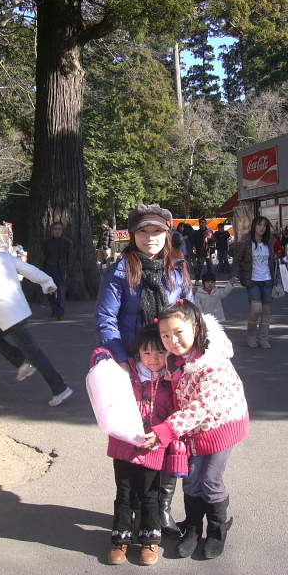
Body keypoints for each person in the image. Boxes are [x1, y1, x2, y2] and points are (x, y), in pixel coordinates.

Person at [96, 203, 193, 537]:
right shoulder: (120, 271)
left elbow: (189, 313)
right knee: (133, 435)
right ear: (133, 235)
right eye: (143, 231)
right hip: (134, 365)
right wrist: (122, 360)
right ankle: (132, 505)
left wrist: (189, 353)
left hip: (171, 363)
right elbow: (106, 319)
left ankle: (159, 508)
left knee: (168, 433)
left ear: (167, 234)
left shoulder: (177, 268)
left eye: (157, 231)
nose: (150, 238)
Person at [142, 299, 249, 560]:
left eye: (178, 332)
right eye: (165, 335)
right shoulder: (174, 359)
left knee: (210, 480)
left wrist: (166, 430)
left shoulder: (213, 363)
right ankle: (192, 528)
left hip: (221, 427)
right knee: (191, 478)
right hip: (191, 429)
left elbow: (201, 407)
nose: (172, 340)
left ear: (196, 327)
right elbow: (170, 388)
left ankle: (217, 531)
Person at [92, 326, 184, 566]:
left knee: (149, 495)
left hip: (153, 447)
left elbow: (175, 412)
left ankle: (149, 540)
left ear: (168, 353)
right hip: (123, 444)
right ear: (137, 353)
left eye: (159, 353)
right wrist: (103, 358)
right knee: (123, 492)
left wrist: (163, 436)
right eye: (147, 353)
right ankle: (120, 539)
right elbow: (100, 353)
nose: (153, 359)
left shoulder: (171, 379)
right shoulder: (127, 371)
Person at [0, 231, 72, 407]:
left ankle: (60, 388)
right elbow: (28, 270)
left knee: (35, 355)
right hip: (18, 311)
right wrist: (47, 281)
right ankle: (23, 363)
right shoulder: (3, 256)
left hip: (9, 316)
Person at [231, 216, 276, 349]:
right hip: (252, 280)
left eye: (265, 226)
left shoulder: (269, 242)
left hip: (267, 280)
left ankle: (263, 338)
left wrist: (285, 258)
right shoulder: (246, 241)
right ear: (254, 226)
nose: (262, 228)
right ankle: (251, 335)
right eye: (259, 225)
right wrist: (234, 275)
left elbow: (273, 260)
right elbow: (237, 259)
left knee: (266, 311)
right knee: (256, 309)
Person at [43, 222, 71, 320]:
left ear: (62, 230)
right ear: (52, 231)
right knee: (49, 290)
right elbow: (44, 256)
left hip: (61, 269)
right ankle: (54, 309)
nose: (57, 231)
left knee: (60, 291)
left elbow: (70, 257)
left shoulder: (67, 242)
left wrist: (67, 268)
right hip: (49, 268)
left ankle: (60, 312)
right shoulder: (46, 242)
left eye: (59, 229)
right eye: (55, 229)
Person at [193, 218, 213, 285]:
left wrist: (209, 239)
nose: (202, 224)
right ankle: (197, 280)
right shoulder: (196, 232)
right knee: (199, 267)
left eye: (204, 222)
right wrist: (194, 248)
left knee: (210, 267)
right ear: (199, 224)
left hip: (208, 251)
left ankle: (210, 280)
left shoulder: (209, 231)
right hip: (200, 252)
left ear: (206, 223)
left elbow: (213, 241)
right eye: (201, 222)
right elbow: (194, 242)